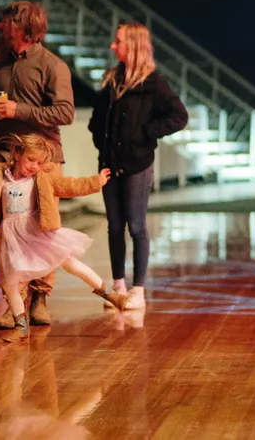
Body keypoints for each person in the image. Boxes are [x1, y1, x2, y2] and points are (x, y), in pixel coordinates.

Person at [0, 133, 129, 340]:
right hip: (11, 237)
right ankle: (21, 324)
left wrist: (95, 181)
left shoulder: (41, 179)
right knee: (9, 282)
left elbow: (69, 186)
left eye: (39, 163)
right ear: (17, 154)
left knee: (70, 262)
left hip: (37, 232)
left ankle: (108, 293)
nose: (33, 166)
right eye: (30, 160)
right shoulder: (0, 174)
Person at [87, 23, 189, 310]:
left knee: (137, 225)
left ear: (132, 45)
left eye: (117, 41)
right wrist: (101, 143)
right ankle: (118, 284)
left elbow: (178, 116)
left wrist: (145, 134)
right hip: (109, 164)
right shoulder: (111, 80)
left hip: (137, 164)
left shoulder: (153, 83)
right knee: (114, 226)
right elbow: (97, 119)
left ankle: (138, 289)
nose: (112, 46)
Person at [0, 1, 74, 329]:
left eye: (6, 23)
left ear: (23, 28)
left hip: (42, 160)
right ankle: (13, 301)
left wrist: (18, 110)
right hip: (4, 158)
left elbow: (65, 112)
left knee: (43, 230)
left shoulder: (52, 65)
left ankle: (39, 298)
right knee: (6, 234)